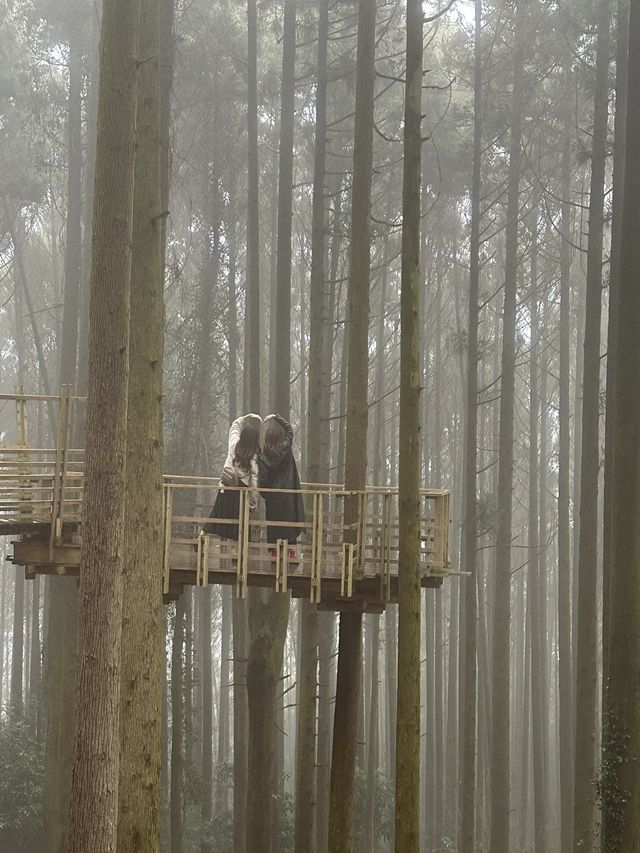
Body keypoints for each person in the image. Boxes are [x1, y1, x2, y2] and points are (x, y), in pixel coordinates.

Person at [203, 413, 262, 540]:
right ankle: (238, 555)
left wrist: (245, 418)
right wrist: (254, 501)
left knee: (217, 514)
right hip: (242, 492)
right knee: (240, 523)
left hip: (227, 485)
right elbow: (254, 481)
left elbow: (234, 427)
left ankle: (201, 537)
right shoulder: (254, 455)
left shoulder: (234, 444)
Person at [258, 414, 305, 554]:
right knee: (289, 526)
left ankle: (275, 554)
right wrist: (276, 417)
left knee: (274, 526)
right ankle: (291, 554)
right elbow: (289, 429)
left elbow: (262, 480)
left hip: (273, 497)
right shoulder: (285, 448)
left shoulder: (264, 457)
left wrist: (266, 495)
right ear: (280, 438)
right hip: (289, 495)